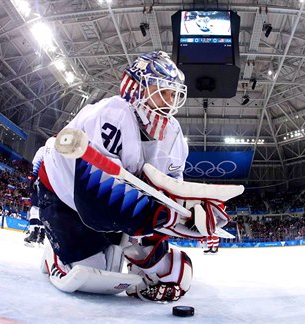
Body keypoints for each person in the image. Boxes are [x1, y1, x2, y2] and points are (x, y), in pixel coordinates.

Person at [36, 51, 242, 301]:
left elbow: (167, 195)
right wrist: (167, 217)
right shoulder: (109, 114)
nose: (170, 99)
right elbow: (96, 202)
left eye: (174, 93)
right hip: (65, 196)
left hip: (121, 209)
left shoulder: (174, 135)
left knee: (173, 274)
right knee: (94, 274)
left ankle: (127, 255)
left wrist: (191, 212)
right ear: (137, 88)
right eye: (162, 90)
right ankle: (56, 255)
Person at [24, 145, 46, 246]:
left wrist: (32, 181)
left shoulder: (44, 149)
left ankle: (33, 235)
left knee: (35, 209)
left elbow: (36, 165)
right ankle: (42, 236)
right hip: (53, 186)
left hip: (41, 180)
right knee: (44, 211)